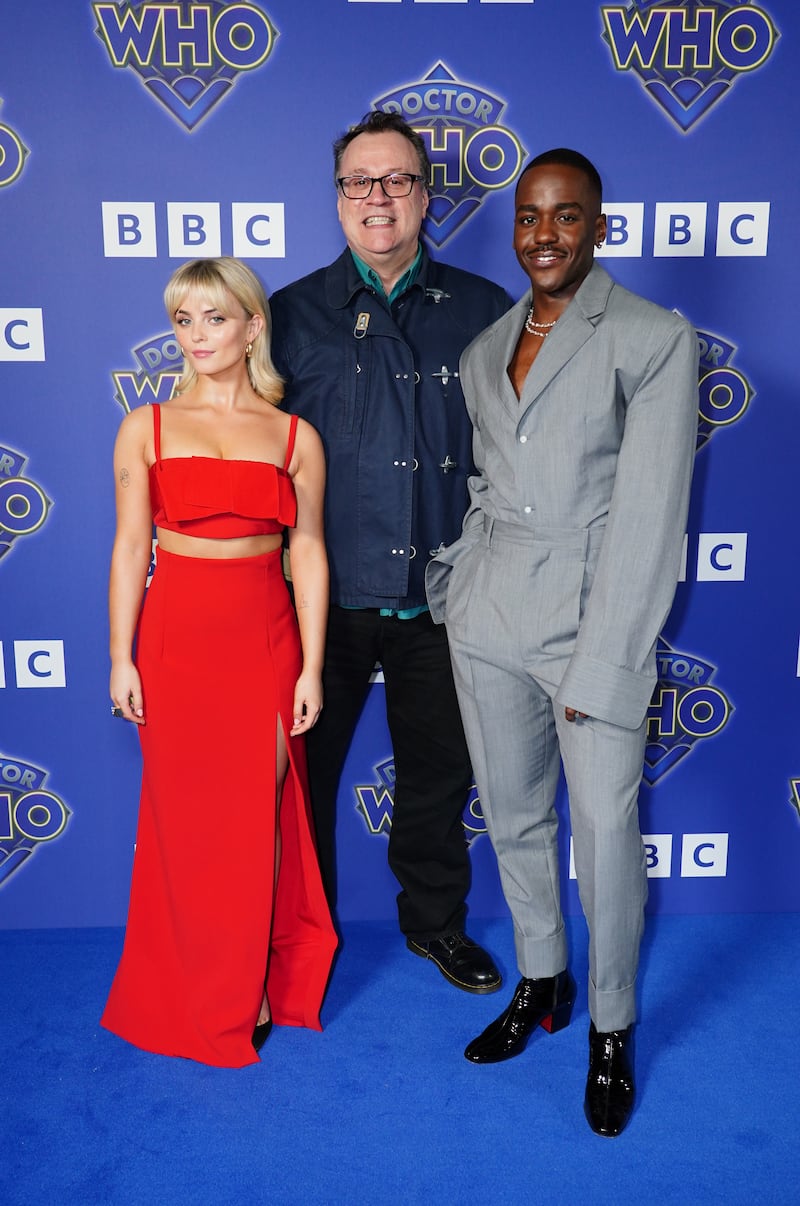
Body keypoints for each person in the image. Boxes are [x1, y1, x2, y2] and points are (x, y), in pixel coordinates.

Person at [426, 150, 698, 1134]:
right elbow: (489, 484)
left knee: (604, 832)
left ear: (597, 226)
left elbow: (650, 515)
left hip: (591, 624)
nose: (543, 234)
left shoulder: (649, 338)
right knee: (511, 819)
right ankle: (542, 981)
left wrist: (606, 655)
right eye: (528, 216)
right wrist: (457, 588)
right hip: (488, 618)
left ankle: (610, 1028)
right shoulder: (485, 344)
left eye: (566, 216)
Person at [269, 111, 510, 994]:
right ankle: (295, 946)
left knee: (439, 779)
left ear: (425, 195)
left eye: (397, 180)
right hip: (316, 604)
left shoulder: (488, 311)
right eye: (358, 182)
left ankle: (436, 926)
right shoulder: (287, 317)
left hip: (446, 598)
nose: (378, 197)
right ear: (336, 200)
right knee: (298, 790)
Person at [101, 257, 337, 1068]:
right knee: (189, 829)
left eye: (213, 318)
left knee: (252, 824)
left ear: (252, 325)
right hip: (176, 640)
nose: (196, 337)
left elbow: (308, 552)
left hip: (264, 639)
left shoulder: (295, 436)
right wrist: (119, 657)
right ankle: (200, 987)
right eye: (182, 321)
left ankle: (252, 985)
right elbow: (132, 546)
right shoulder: (147, 426)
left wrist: (309, 667)